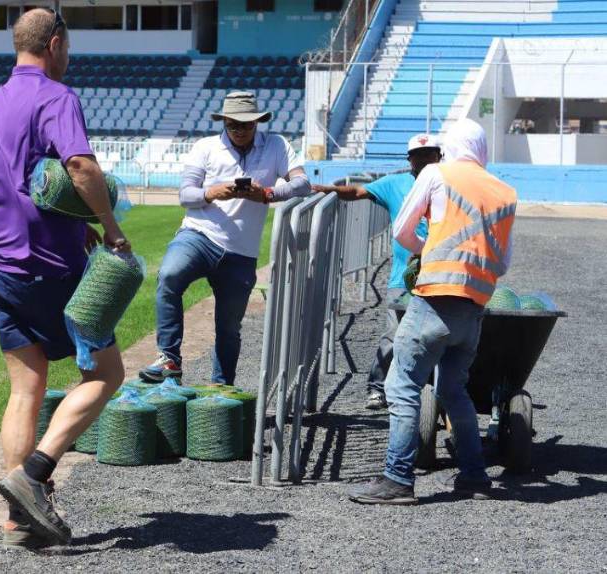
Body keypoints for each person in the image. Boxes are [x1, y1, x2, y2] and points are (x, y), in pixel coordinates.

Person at [0, 8, 130, 549]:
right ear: (55, 44)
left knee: (25, 388)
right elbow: (80, 167)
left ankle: (17, 521)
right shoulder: (57, 97)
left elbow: (19, 183)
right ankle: (34, 474)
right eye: (69, 47)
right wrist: (107, 226)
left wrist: (72, 225)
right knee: (106, 373)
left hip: (1, 261)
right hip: (49, 267)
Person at [349, 119, 517, 505]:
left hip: (434, 299)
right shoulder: (505, 192)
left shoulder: (437, 173)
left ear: (450, 147)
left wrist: (426, 250)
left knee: (402, 386)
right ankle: (475, 475)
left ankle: (397, 479)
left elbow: (402, 231)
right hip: (474, 307)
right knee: (452, 390)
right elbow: (503, 263)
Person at [138, 92, 310, 385]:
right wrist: (212, 192)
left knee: (229, 327)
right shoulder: (205, 147)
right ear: (224, 122)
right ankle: (169, 357)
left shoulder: (277, 145)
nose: (239, 131)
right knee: (169, 275)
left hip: (241, 251)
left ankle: (221, 390)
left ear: (257, 122)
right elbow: (185, 194)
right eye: (233, 125)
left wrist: (267, 194)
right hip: (199, 235)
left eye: (246, 125)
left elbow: (302, 183)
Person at [312, 134, 441, 410]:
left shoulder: (450, 185)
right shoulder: (395, 184)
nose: (425, 159)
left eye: (430, 153)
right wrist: (324, 189)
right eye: (419, 155)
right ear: (410, 160)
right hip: (403, 278)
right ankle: (377, 386)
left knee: (438, 335)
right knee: (394, 335)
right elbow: (359, 192)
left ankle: (434, 392)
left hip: (442, 276)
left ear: (439, 156)